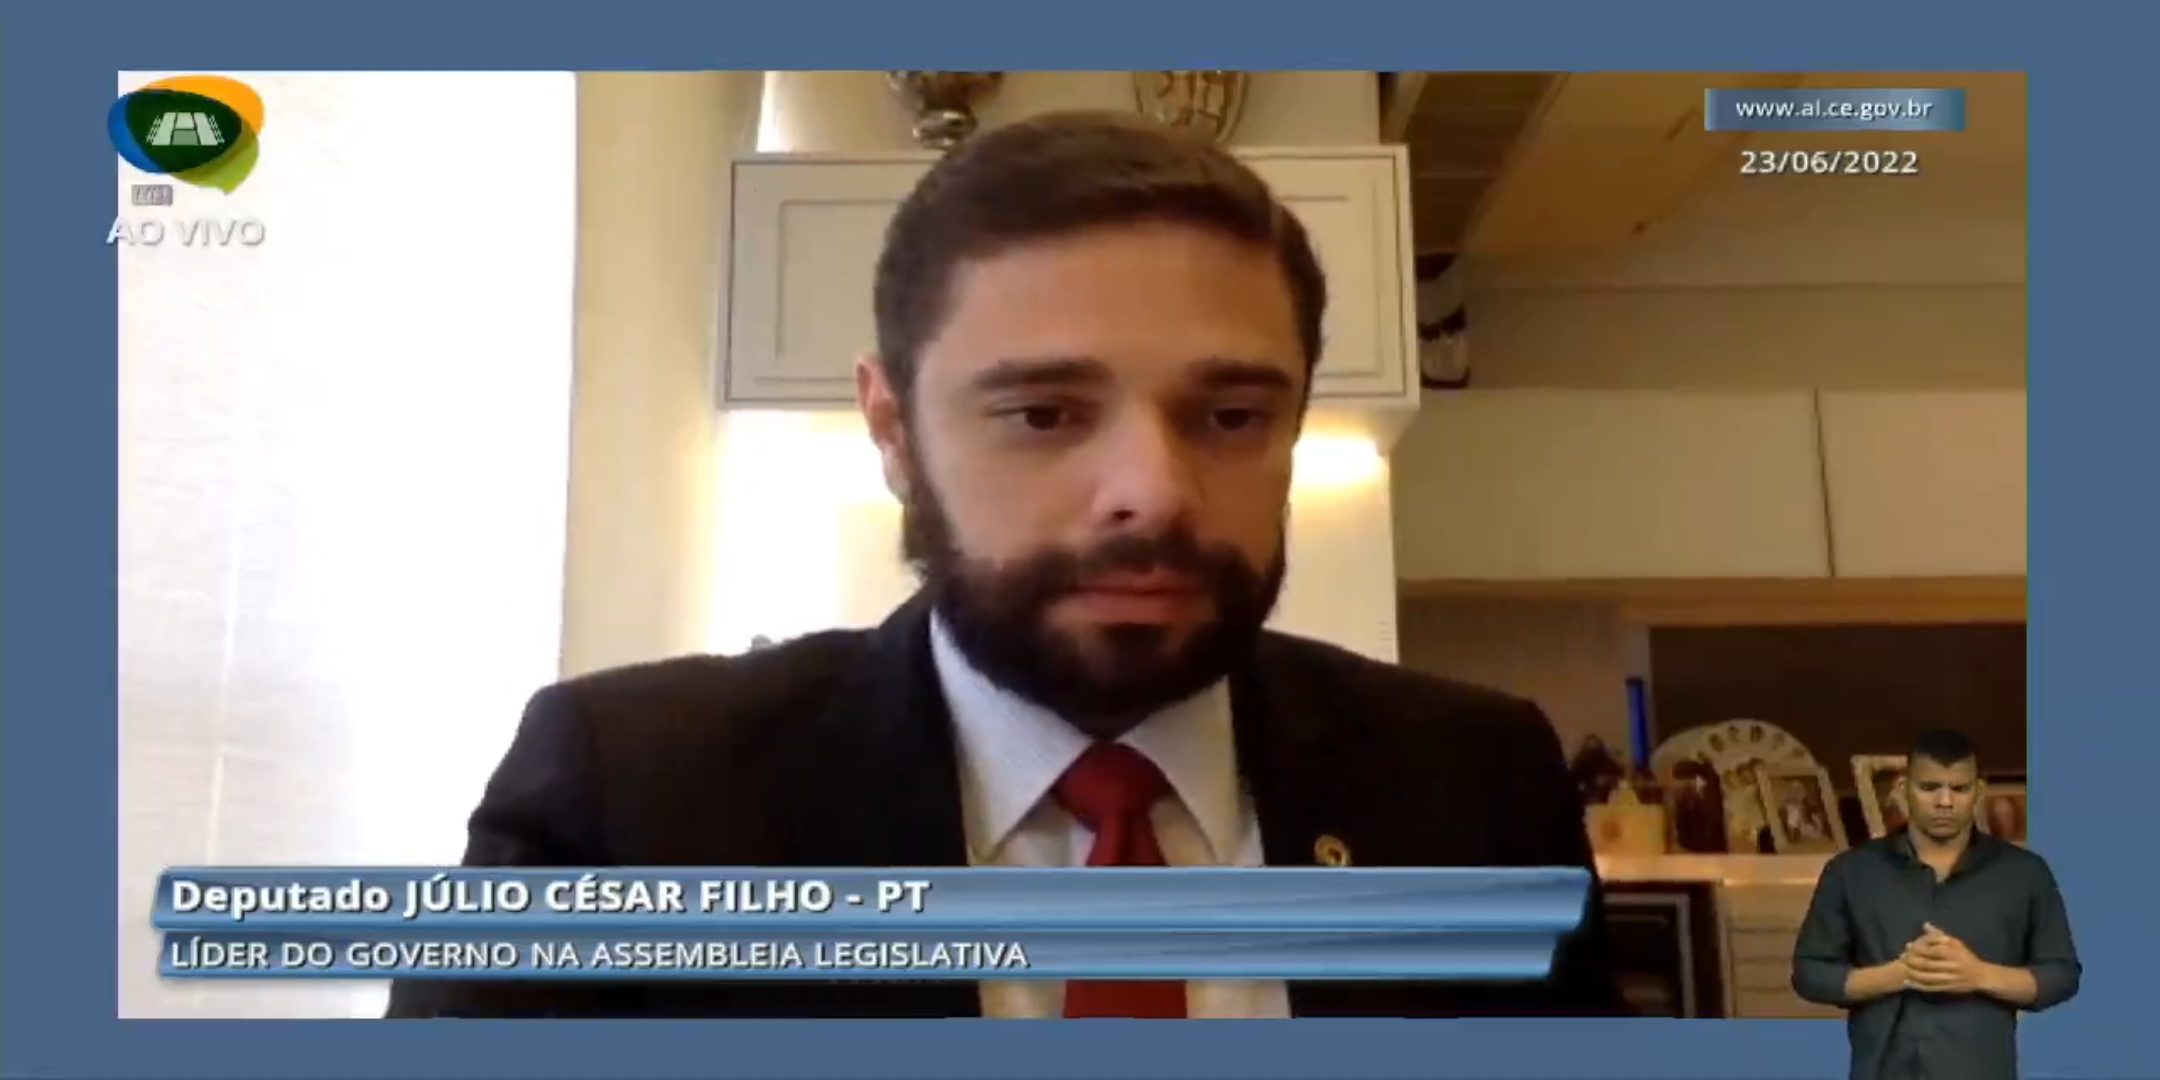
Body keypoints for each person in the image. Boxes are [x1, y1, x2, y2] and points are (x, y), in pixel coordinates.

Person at [387, 111, 1627, 1020]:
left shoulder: (1475, 787)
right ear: (893, 430)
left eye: (1231, 416)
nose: (1153, 492)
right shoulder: (629, 804)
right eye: (1044, 413)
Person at [1792, 730, 2079, 1080]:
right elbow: (1809, 974)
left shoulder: (2025, 873)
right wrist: (1897, 975)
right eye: (1929, 787)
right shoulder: (1851, 871)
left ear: (1979, 791)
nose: (1945, 801)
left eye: (1959, 788)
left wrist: (1978, 974)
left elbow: (2061, 975)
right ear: (1902, 789)